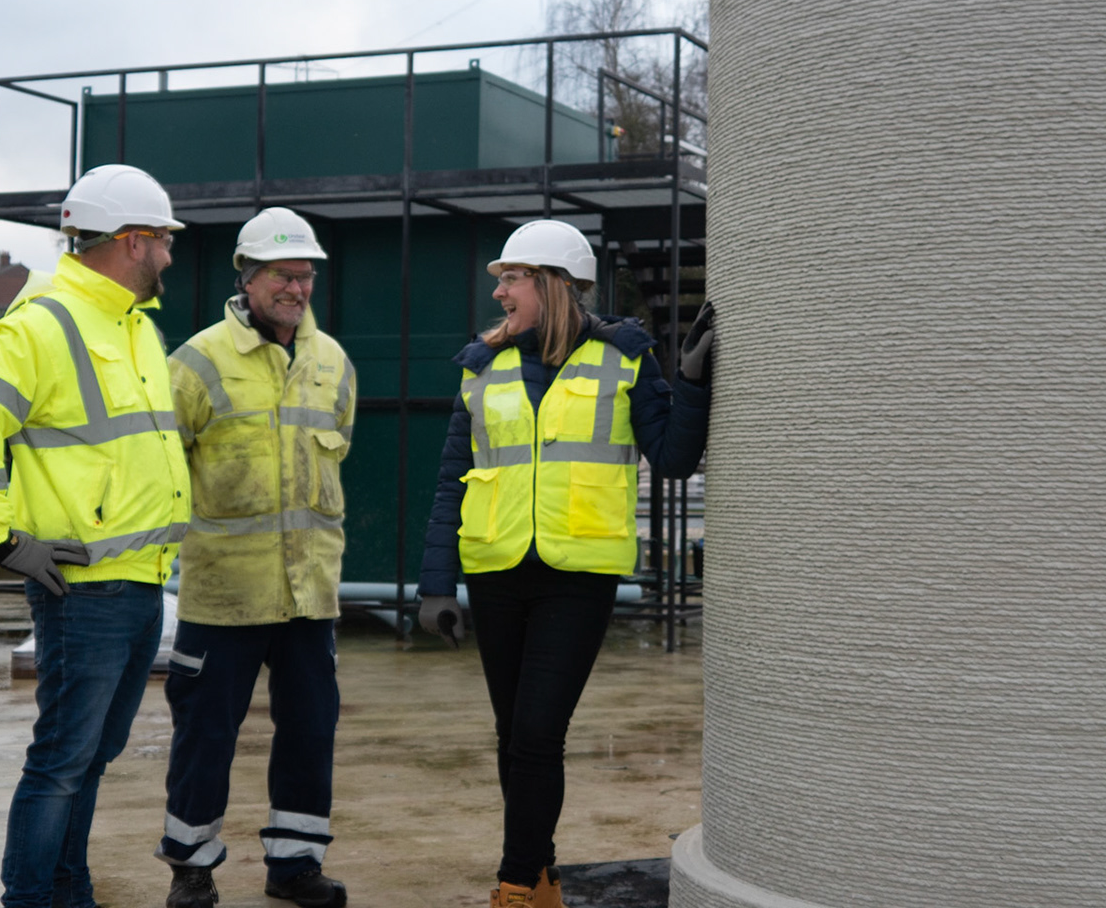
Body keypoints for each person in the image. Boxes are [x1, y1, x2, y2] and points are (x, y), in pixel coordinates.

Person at [418, 219, 716, 908]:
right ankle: (542, 876)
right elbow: (449, 482)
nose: (500, 292)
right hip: (495, 570)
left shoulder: (624, 357)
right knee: (513, 735)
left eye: (512, 278)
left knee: (537, 732)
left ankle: (516, 886)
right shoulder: (480, 367)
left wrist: (694, 383)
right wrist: (436, 584)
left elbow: (673, 460)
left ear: (552, 286)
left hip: (576, 577)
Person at [0, 163, 191, 908]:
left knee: (93, 757)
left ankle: (69, 891)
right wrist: (5, 542)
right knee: (62, 761)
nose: (170, 256)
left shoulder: (135, 327)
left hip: (139, 581)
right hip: (83, 589)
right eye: (164, 241)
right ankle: (31, 898)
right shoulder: (44, 322)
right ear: (133, 242)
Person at [156, 207, 355, 908]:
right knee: (206, 739)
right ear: (248, 278)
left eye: (305, 276)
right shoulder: (197, 362)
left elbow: (339, 448)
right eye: (283, 275)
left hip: (309, 595)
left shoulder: (331, 362)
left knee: (309, 735)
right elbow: (164, 469)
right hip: (223, 596)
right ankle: (191, 868)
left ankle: (295, 865)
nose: (297, 288)